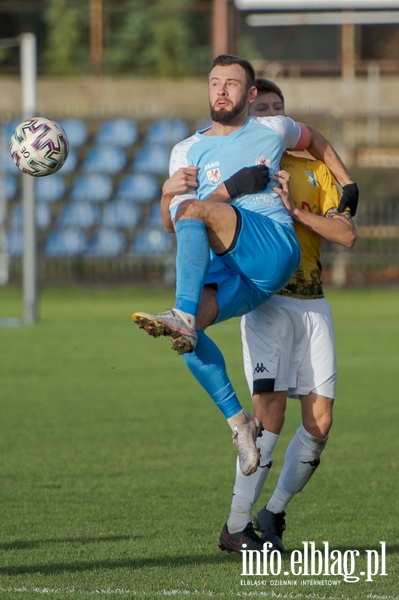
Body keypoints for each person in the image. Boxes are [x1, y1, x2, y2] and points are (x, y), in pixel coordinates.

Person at [132, 55, 358, 480]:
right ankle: (239, 424)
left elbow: (316, 141)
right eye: (215, 82)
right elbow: (174, 223)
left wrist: (348, 184)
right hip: (236, 272)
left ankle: (180, 312)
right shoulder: (185, 150)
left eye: (232, 84)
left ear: (250, 94)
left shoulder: (272, 128)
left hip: (272, 249)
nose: (221, 90)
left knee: (194, 228)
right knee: (187, 334)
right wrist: (167, 196)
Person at [218, 78, 357, 554]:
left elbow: (346, 235)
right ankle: (235, 527)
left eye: (278, 110)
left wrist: (298, 215)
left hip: (314, 303)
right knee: (268, 422)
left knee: (320, 421)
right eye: (261, 110)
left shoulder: (314, 170)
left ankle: (272, 514)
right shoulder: (240, 165)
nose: (270, 117)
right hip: (267, 302)